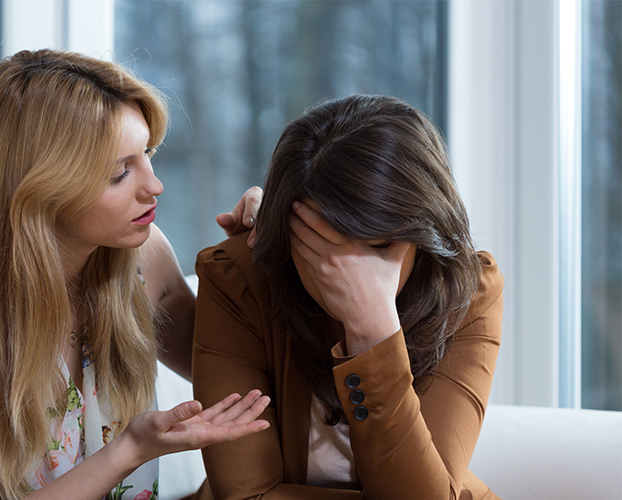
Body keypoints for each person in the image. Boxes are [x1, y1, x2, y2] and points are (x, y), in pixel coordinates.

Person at [0, 49, 271, 500]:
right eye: (120, 173)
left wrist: (257, 257)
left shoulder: (143, 259)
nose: (154, 186)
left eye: (147, 153)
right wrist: (129, 449)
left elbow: (249, 371)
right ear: (41, 189)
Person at [191, 95, 504, 499]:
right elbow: (245, 493)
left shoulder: (467, 289)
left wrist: (374, 329)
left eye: (373, 250)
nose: (345, 278)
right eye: (319, 250)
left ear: (420, 233)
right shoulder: (237, 277)